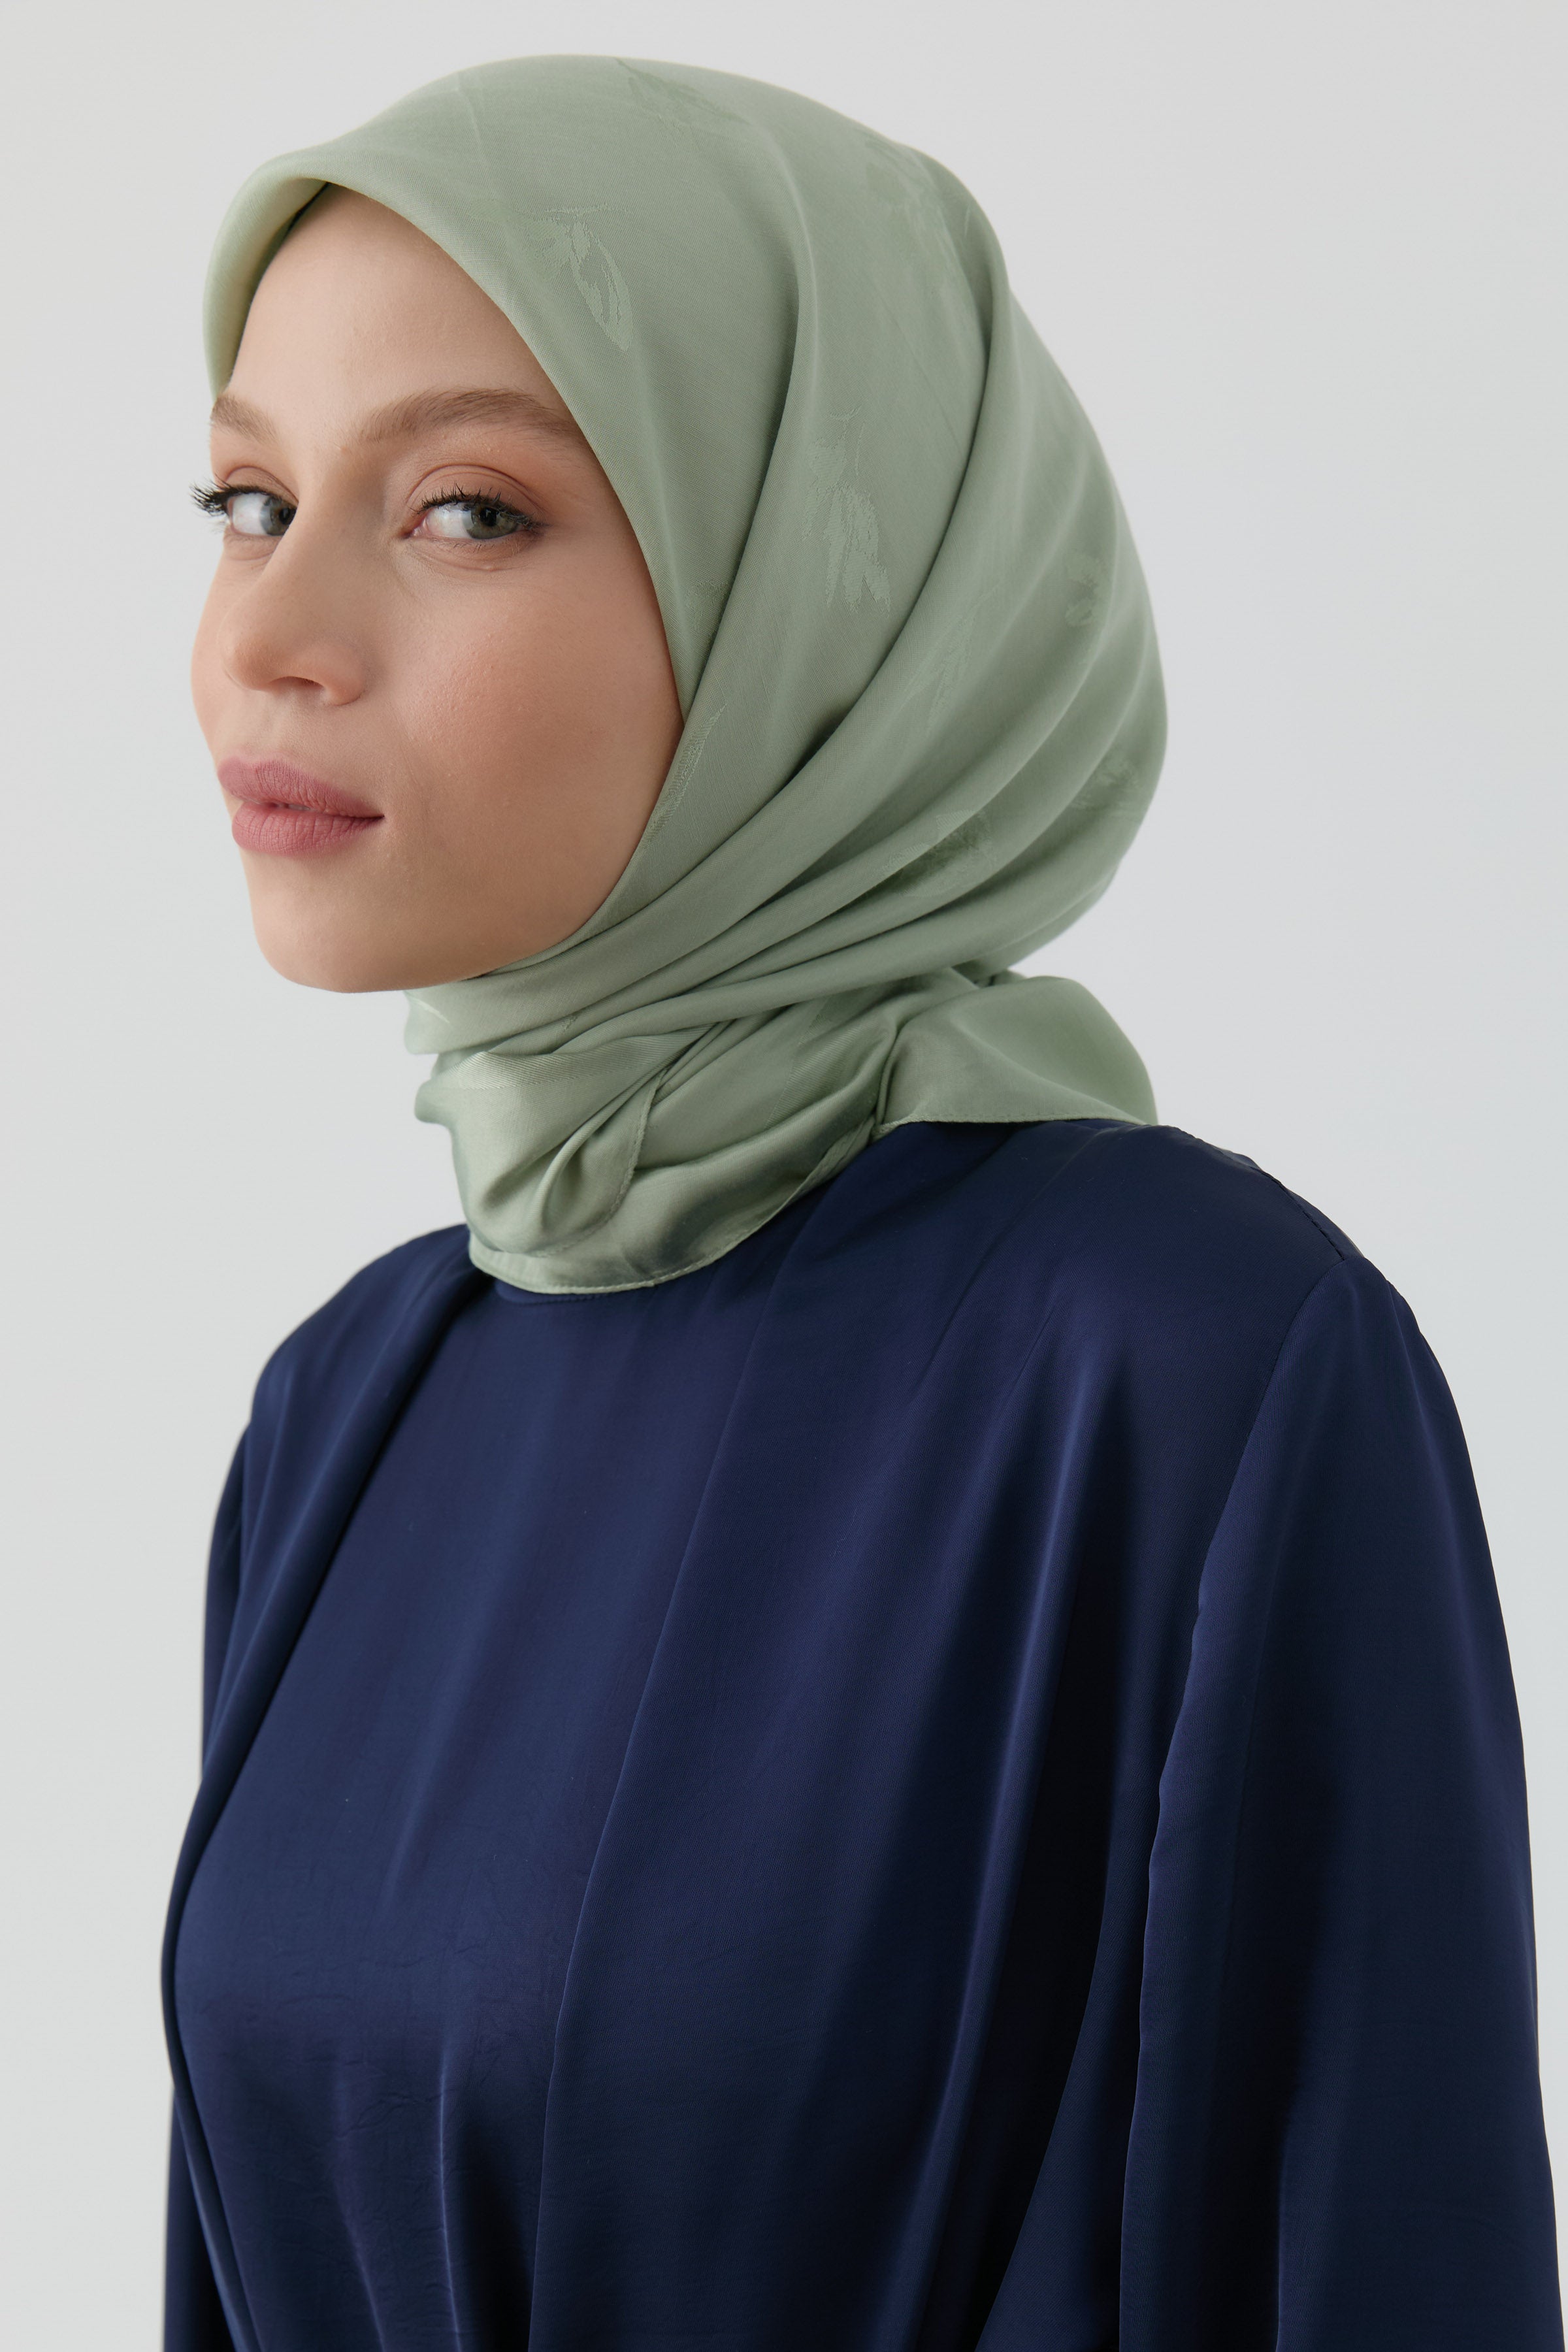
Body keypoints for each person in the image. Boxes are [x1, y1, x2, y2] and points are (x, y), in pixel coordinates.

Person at [161, 55, 1563, 2352]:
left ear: (822, 594)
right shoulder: (352, 1403)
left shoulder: (1191, 1366)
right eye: (246, 497)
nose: (267, 636)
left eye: (468, 512)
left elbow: (1374, 2267)